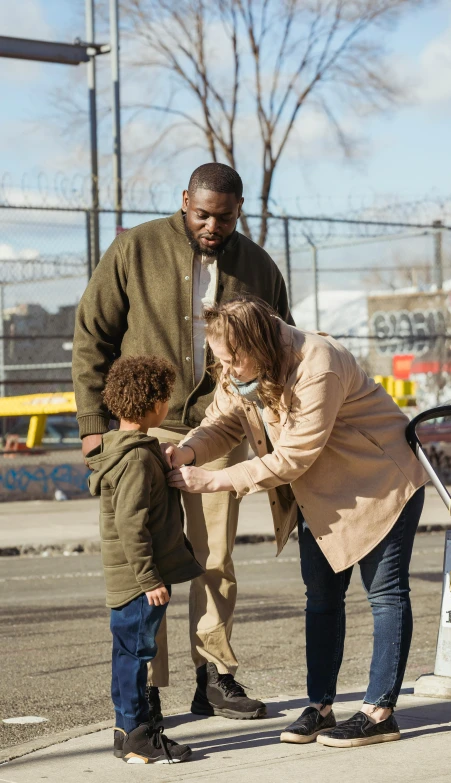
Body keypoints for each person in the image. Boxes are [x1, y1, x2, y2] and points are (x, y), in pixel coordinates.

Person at [73, 162, 293, 721]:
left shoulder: (258, 266)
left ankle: (215, 677)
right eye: (201, 214)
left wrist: (273, 425)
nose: (211, 226)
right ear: (184, 202)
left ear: (238, 209)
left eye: (223, 216)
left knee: (214, 558)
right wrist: (92, 425)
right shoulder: (136, 249)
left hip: (220, 427)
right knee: (143, 556)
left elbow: (281, 345)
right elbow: (92, 335)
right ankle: (146, 686)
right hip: (140, 429)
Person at [165, 297, 428, 749]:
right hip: (322, 496)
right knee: (322, 598)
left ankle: (379, 711)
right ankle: (321, 707)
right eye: (219, 361)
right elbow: (223, 424)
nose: (226, 371)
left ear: (259, 343)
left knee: (384, 594)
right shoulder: (245, 367)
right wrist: (187, 451)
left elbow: (293, 456)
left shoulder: (318, 364)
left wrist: (212, 480)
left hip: (381, 483)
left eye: (231, 360)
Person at [86, 355, 203, 763]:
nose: (168, 404)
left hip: (129, 578)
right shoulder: (136, 458)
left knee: (127, 654)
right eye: (166, 397)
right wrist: (151, 579)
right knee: (137, 656)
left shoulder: (123, 449)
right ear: (152, 405)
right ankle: (139, 735)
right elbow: (131, 524)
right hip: (141, 581)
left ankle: (125, 732)